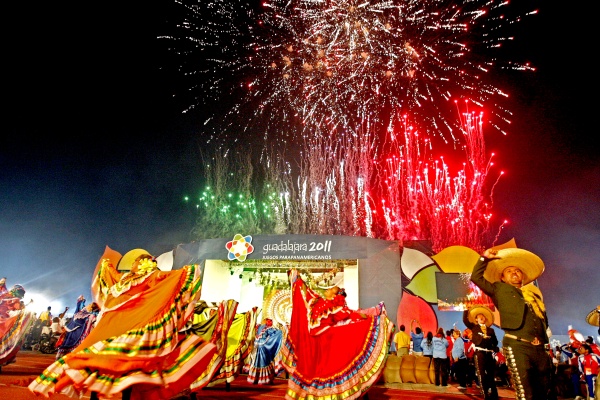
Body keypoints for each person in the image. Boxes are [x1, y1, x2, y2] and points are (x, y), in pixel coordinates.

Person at [29, 246, 217, 400]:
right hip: (131, 328)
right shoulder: (150, 277)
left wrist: (107, 264)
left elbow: (109, 273)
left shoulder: (121, 280)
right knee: (127, 367)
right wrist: (188, 271)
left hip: (106, 330)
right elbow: (171, 279)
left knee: (97, 363)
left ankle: (91, 394)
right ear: (149, 264)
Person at [281, 268, 394, 400]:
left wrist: (374, 313)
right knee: (314, 373)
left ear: (334, 295)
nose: (328, 289)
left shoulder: (336, 306)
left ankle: (355, 394)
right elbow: (306, 293)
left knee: (332, 372)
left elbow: (353, 315)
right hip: (317, 343)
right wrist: (298, 279)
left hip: (328, 342)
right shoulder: (318, 301)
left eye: (331, 289)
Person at [470, 247, 553, 400]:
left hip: (540, 348)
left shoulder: (533, 295)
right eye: (509, 271)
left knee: (545, 390)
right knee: (525, 392)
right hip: (517, 345)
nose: (514, 273)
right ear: (502, 277)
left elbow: (543, 319)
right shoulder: (499, 289)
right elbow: (476, 277)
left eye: (518, 271)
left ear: (523, 276)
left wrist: (541, 338)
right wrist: (484, 258)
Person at [463, 305, 499, 400]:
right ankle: (485, 394)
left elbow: (495, 342)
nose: (481, 317)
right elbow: (465, 321)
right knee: (481, 374)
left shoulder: (491, 330)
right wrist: (466, 309)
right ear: (476, 320)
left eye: (483, 316)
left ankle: (494, 394)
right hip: (479, 353)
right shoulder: (474, 328)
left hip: (489, 353)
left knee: (491, 374)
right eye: (479, 316)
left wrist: (492, 343)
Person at [0, 284, 36, 368]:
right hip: (4, 321)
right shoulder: (14, 299)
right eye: (21, 292)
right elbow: (19, 310)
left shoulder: (5, 296)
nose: (22, 295)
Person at [55, 295, 99, 359]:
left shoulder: (86, 314)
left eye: (90, 304)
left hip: (74, 332)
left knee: (69, 347)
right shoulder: (87, 314)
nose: (88, 305)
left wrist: (81, 301)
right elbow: (80, 306)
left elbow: (79, 305)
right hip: (75, 332)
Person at [244, 317, 285, 384]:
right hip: (263, 348)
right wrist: (284, 328)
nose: (271, 323)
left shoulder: (258, 327)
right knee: (265, 363)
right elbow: (278, 333)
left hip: (256, 347)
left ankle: (255, 379)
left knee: (256, 363)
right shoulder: (268, 328)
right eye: (270, 321)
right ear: (267, 322)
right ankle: (265, 380)